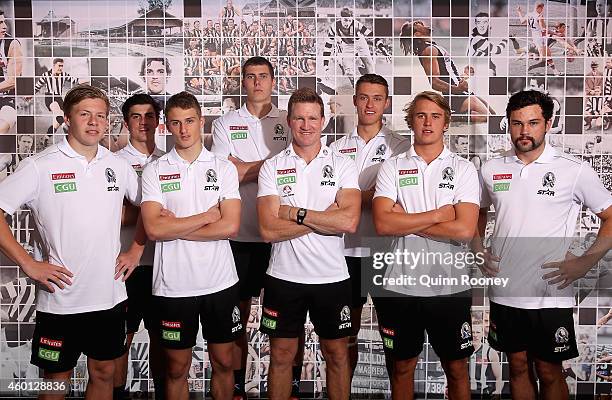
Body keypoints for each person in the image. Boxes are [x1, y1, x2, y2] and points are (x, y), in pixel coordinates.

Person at [0, 84, 140, 399]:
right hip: (61, 300)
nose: (94, 122)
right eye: (84, 114)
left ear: (107, 122)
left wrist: (135, 250)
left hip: (109, 296)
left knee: (104, 373)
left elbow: (150, 210)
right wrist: (29, 264)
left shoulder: (116, 165)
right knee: (55, 382)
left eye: (101, 116)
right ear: (67, 119)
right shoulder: (41, 165)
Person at [473, 89, 612, 399]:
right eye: (517, 123)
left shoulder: (573, 171)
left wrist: (585, 262)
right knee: (517, 366)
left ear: (548, 124)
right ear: (508, 125)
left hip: (550, 293)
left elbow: (610, 217)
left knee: (549, 370)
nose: (525, 131)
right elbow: (477, 214)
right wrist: (477, 249)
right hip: (505, 289)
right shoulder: (492, 169)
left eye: (533, 123)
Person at [372, 90, 479, 400]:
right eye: (420, 115)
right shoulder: (392, 166)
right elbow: (383, 224)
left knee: (457, 369)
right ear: (411, 122)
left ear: (446, 122)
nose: (427, 122)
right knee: (402, 368)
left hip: (449, 286)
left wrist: (408, 219)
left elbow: (463, 229)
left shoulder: (463, 168)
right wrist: (437, 215)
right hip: (400, 284)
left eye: (435, 116)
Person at [257, 87, 361, 399]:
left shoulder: (343, 164)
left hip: (332, 277)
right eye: (299, 118)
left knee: (337, 356)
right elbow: (268, 229)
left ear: (324, 121)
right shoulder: (272, 166)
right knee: (281, 358)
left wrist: (294, 213)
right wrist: (321, 219)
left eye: (313, 118)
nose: (306, 125)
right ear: (288, 121)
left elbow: (348, 222)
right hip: (283, 278)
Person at [140, 91, 244, 399]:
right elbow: (154, 228)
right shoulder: (155, 170)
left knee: (224, 362)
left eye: (189, 121)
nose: (184, 130)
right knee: (176, 367)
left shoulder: (223, 167)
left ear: (201, 122)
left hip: (220, 282)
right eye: (175, 123)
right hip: (174, 286)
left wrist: (177, 227)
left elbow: (230, 226)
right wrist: (206, 216)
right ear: (166, 126)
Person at [211, 56, 292, 400]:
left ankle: (287, 390)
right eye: (250, 77)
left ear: (273, 81)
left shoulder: (290, 122)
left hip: (282, 238)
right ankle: (240, 388)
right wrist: (275, 165)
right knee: (237, 320)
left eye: (263, 76)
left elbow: (296, 167)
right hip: (240, 237)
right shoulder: (226, 122)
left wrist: (245, 168)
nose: (257, 82)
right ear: (242, 82)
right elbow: (224, 176)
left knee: (284, 325)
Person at [328, 74, 410, 384]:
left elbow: (397, 202)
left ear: (386, 103)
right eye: (364, 97)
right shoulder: (335, 147)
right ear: (355, 101)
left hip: (386, 253)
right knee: (344, 338)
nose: (370, 104)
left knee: (394, 338)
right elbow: (332, 201)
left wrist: (351, 199)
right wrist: (372, 197)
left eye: (377, 98)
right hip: (344, 253)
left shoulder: (401, 146)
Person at [112, 93, 166, 400]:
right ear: (126, 122)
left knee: (164, 342)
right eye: (136, 117)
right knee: (122, 340)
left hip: (162, 265)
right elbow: (109, 216)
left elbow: (179, 214)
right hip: (124, 267)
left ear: (158, 122)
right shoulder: (113, 162)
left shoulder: (170, 162)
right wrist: (153, 213)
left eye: (149, 116)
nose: (143, 122)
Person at [399, 20, 494, 123]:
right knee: (489, 118)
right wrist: (456, 89)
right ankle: (452, 117)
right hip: (455, 96)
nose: (425, 25)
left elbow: (449, 75)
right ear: (417, 35)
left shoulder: (433, 47)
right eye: (419, 26)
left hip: (461, 92)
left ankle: (454, 115)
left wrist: (465, 75)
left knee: (494, 116)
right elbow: (434, 82)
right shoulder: (428, 51)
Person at [321, 7, 391, 88]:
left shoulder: (357, 25)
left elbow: (373, 36)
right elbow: (328, 47)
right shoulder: (334, 28)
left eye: (350, 20)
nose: (347, 23)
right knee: (349, 71)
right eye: (345, 20)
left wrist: (383, 50)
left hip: (360, 43)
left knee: (370, 67)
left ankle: (368, 77)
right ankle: (356, 85)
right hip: (348, 46)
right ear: (340, 18)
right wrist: (326, 67)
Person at [31, 58, 88, 134]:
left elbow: (77, 81)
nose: (61, 68)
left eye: (62, 66)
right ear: (54, 65)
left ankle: (46, 137)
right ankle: (66, 128)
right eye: (59, 66)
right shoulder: (46, 75)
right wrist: (29, 95)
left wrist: (90, 78)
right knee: (58, 111)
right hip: (49, 97)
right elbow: (37, 87)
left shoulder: (64, 75)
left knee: (57, 122)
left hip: (59, 98)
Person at [516, 3, 563, 75]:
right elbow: (544, 29)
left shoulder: (529, 14)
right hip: (540, 38)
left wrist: (519, 12)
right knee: (544, 60)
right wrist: (556, 33)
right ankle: (527, 60)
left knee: (547, 55)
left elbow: (522, 21)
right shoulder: (539, 16)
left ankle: (555, 71)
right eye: (542, 8)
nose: (542, 10)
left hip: (535, 37)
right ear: (540, 8)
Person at [0, 10, 22, 134]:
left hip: (6, 98)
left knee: (4, 124)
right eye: (0, 23)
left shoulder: (12, 44)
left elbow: (13, 81)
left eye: (4, 22)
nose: (4, 26)